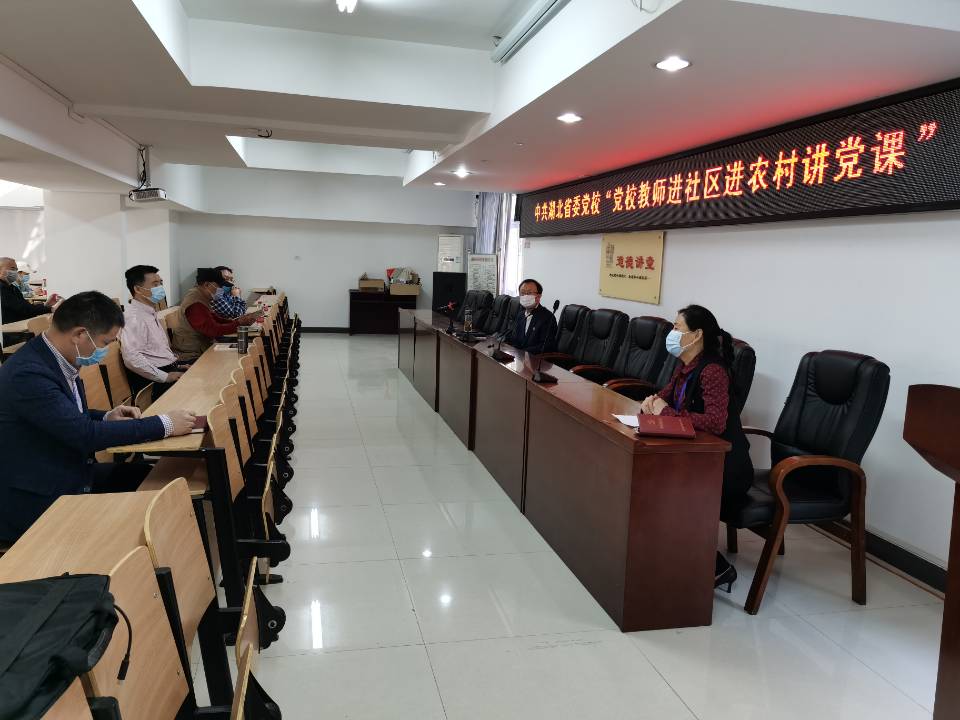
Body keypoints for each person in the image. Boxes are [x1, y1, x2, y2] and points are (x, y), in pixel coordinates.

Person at [0, 291, 196, 541]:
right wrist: (165, 424)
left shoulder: (55, 356)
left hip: (69, 471)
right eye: (105, 342)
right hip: (39, 495)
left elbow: (63, 416)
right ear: (80, 334)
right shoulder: (28, 374)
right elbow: (85, 435)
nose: (105, 350)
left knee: (154, 481)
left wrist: (106, 417)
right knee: (139, 512)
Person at [639, 304, 753, 592]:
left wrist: (665, 412)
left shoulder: (712, 370)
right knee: (649, 482)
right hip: (697, 460)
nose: (672, 333)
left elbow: (715, 422)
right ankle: (665, 556)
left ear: (697, 335)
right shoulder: (686, 367)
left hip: (726, 468)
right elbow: (664, 397)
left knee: (668, 492)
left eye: (677, 327)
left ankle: (717, 568)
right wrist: (652, 402)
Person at [121, 264, 189, 398]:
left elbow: (155, 352)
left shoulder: (149, 311)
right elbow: (132, 358)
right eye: (155, 284)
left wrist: (177, 365)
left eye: (160, 283)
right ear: (137, 289)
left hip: (168, 367)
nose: (160, 288)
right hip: (153, 381)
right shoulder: (133, 318)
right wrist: (165, 376)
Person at [171, 268, 260, 361]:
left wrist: (237, 321)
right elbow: (213, 330)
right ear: (207, 285)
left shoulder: (202, 296)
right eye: (219, 286)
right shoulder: (195, 303)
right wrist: (238, 323)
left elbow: (215, 319)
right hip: (191, 354)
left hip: (202, 346)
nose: (221, 289)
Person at [0, 257, 57, 345]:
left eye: (16, 270)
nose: (15, 272)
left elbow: (26, 307)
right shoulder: (2, 289)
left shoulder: (12, 287)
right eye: (12, 269)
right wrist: (50, 308)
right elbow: (24, 309)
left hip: (18, 328)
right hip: (8, 334)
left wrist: (46, 306)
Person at [506, 278, 558, 352]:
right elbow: (515, 339)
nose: (525, 296)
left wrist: (523, 353)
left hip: (536, 357)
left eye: (529, 293)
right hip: (518, 356)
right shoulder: (520, 315)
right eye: (522, 293)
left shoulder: (547, 317)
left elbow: (546, 346)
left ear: (538, 296)